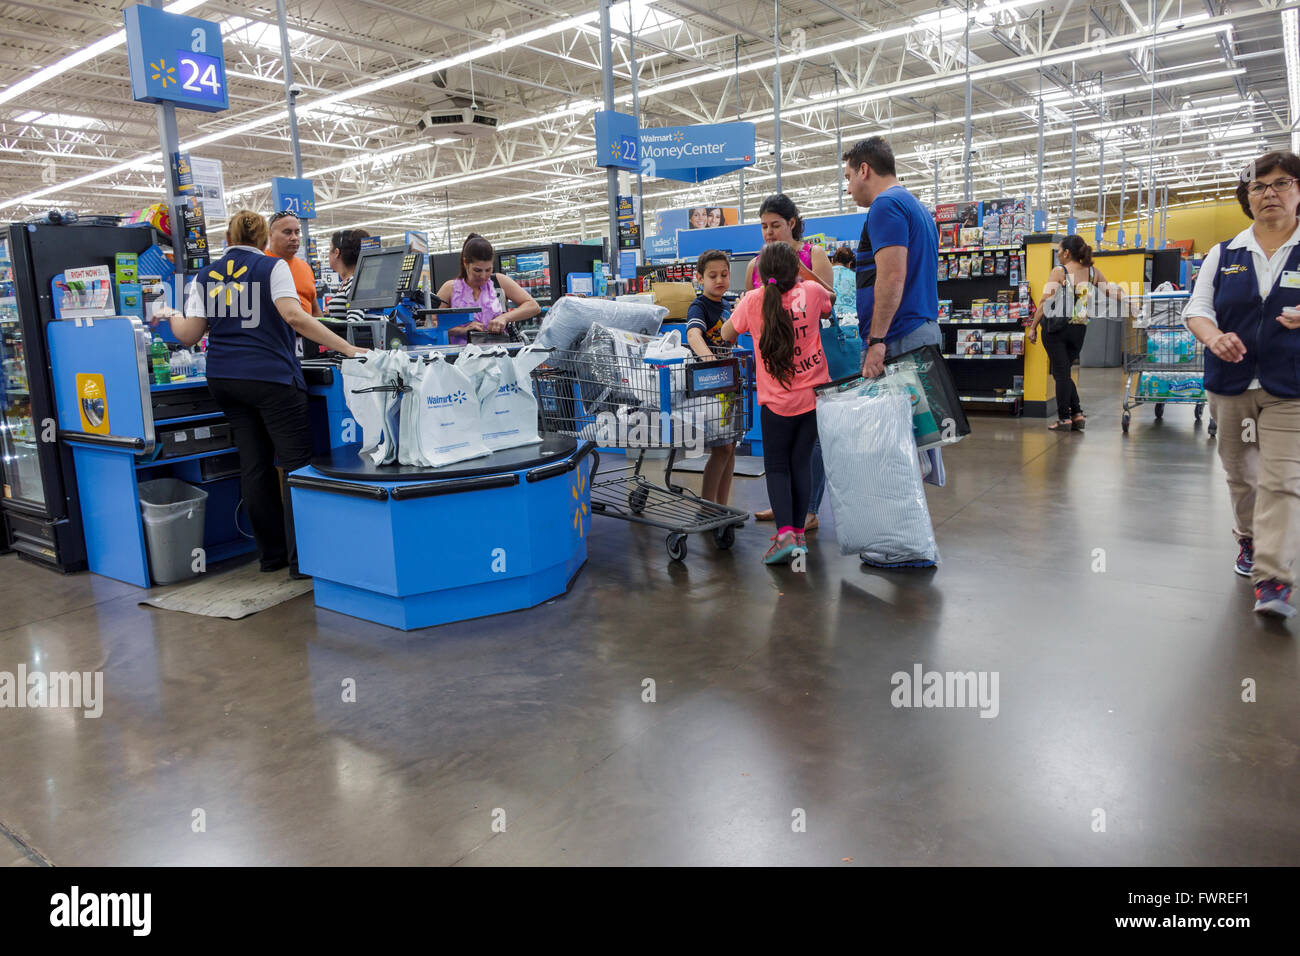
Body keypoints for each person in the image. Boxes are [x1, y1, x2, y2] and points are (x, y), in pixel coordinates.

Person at [152, 209, 367, 578]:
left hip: (225, 380)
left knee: (254, 467)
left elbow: (188, 335)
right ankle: (305, 563)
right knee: (297, 466)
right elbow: (295, 317)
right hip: (270, 379)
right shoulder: (273, 268)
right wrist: (349, 349)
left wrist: (170, 312)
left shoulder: (206, 276)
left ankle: (272, 557)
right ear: (263, 239)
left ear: (227, 239)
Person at [1182, 150, 1300, 619]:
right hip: (1231, 383)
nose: (1269, 192)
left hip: (1290, 385)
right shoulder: (1224, 252)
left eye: (1282, 183)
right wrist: (1213, 337)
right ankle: (1250, 540)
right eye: (1258, 186)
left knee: (1282, 477)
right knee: (1242, 474)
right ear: (1247, 198)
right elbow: (1198, 307)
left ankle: (1272, 578)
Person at [843, 136, 942, 568]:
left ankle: (908, 549)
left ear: (865, 169)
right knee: (915, 447)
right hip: (920, 333)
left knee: (898, 450)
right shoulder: (916, 207)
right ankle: (910, 544)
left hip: (900, 338)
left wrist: (876, 341)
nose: (849, 188)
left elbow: (891, 277)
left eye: (848, 177)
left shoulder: (885, 207)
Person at [722, 242, 830, 565]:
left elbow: (728, 333)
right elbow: (830, 302)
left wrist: (741, 306)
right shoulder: (811, 291)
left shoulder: (754, 301)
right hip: (811, 399)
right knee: (801, 465)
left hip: (775, 404)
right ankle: (797, 534)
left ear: (761, 274)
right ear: (797, 268)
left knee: (778, 468)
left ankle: (785, 535)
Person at [748, 193, 835, 526]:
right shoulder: (758, 264)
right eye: (764, 227)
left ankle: (808, 511)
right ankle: (786, 512)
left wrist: (794, 266)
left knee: (809, 447)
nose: (769, 233)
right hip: (774, 369)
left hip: (810, 364)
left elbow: (829, 297)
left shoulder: (814, 254)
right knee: (783, 455)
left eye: (775, 225)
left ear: (792, 223)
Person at [1026, 235, 1128, 431]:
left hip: (1056, 328)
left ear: (1066, 253)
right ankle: (1077, 414)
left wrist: (1032, 327)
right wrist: (1130, 300)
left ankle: (1064, 418)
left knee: (1061, 374)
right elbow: (1112, 292)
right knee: (1064, 372)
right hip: (1079, 329)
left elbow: (1044, 302)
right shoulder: (1092, 273)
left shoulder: (1060, 271)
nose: (1057, 255)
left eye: (1059, 251)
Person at [685, 250, 737, 506]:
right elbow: (694, 335)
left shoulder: (727, 305)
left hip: (727, 382)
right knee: (722, 448)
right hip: (708, 383)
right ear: (700, 278)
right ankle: (708, 507)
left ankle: (722, 506)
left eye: (724, 275)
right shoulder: (700, 305)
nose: (719, 280)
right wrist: (710, 360)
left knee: (730, 448)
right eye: (712, 275)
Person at [434, 233, 540, 342]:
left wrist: (504, 317)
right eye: (477, 270)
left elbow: (533, 306)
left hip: (499, 354)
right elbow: (431, 323)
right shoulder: (450, 288)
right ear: (465, 263)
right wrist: (462, 330)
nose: (483, 276)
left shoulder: (499, 281)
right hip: (462, 356)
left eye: (488, 270)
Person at [265, 211, 322, 317]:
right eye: (287, 232)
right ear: (270, 234)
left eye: (297, 232)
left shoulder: (305, 267)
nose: (294, 238)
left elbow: (314, 310)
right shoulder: (260, 264)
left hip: (306, 332)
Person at [325, 227, 371, 321]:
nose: (328, 255)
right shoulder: (351, 282)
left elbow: (354, 322)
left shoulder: (355, 282)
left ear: (336, 253)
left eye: (330, 250)